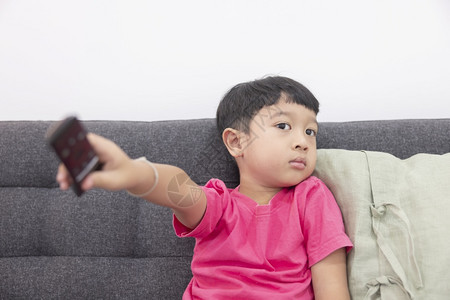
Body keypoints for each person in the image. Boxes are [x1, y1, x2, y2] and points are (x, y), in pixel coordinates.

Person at [57, 76, 353, 299]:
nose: (303, 141)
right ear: (237, 142)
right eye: (283, 126)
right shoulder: (220, 205)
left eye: (310, 131)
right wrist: (136, 173)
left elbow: (331, 282)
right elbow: (182, 190)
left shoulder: (311, 196)